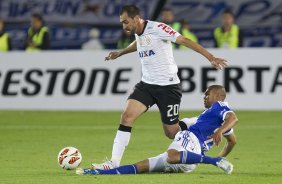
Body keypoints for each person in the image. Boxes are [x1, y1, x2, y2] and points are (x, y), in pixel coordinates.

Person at [91, 5, 228, 170]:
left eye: (126, 22)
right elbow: (139, 43)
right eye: (122, 23)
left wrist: (211, 57)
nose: (124, 26)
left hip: (168, 87)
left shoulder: (158, 28)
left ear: (136, 19)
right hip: (147, 85)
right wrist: (121, 52)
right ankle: (112, 163)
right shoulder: (138, 32)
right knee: (126, 117)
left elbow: (185, 40)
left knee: (171, 132)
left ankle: (195, 123)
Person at [77, 85, 238, 175]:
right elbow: (232, 141)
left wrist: (218, 141)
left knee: (172, 155)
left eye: (207, 94)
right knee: (141, 167)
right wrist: (221, 149)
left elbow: (233, 118)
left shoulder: (220, 105)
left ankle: (214, 162)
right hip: (188, 158)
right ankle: (100, 173)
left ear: (217, 95)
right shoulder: (211, 118)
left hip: (189, 143)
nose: (204, 97)